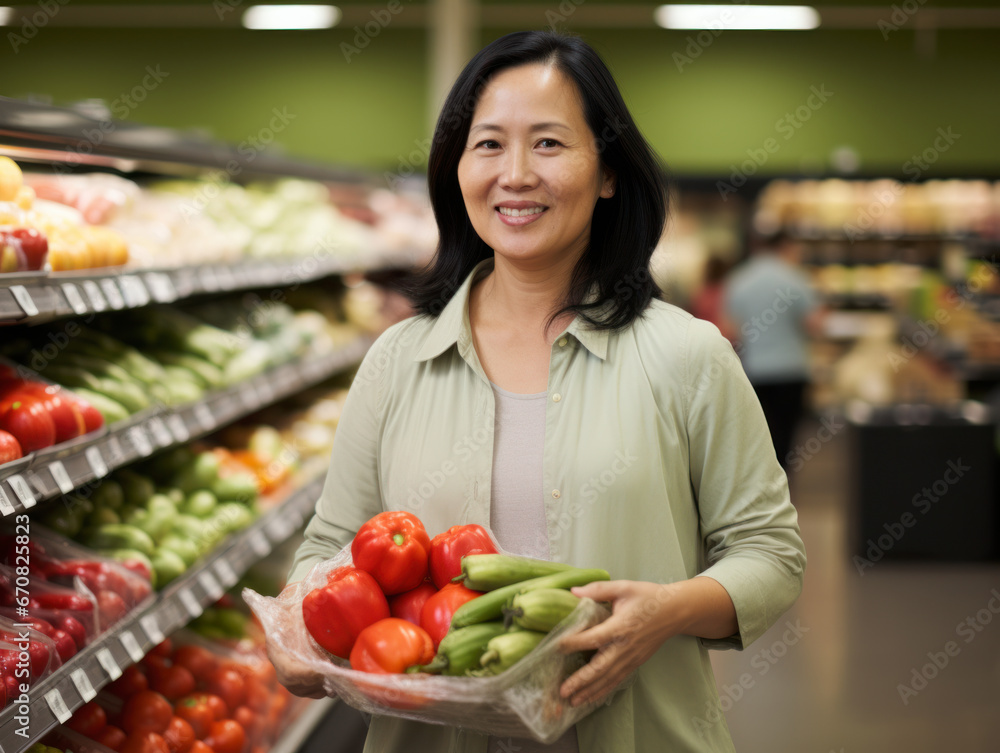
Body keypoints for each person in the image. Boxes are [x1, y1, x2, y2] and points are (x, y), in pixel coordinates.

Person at [269, 30, 806, 753]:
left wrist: (669, 611)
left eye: (548, 144)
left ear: (608, 171)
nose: (515, 174)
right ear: (456, 170)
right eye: (488, 144)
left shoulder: (688, 356)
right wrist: (302, 623)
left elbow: (769, 551)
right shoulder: (397, 360)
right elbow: (332, 544)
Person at [724, 232, 825, 470]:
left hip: (753, 371)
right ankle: (784, 490)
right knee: (786, 439)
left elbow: (729, 330)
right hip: (791, 371)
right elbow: (815, 324)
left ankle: (761, 486)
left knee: (758, 437)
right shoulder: (796, 278)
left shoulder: (739, 279)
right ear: (786, 247)